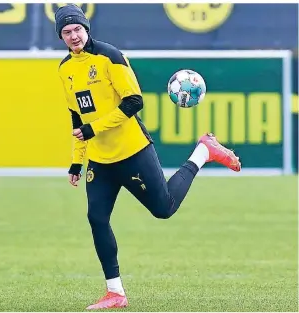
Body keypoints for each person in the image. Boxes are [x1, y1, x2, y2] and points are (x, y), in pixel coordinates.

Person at [55, 4, 241, 310]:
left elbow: (133, 101)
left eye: (77, 29)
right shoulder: (64, 70)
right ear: (61, 37)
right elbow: (77, 117)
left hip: (132, 151)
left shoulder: (109, 57)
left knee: (164, 208)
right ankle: (115, 292)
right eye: (66, 32)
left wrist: (94, 128)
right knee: (96, 218)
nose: (73, 36)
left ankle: (204, 151)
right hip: (100, 161)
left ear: (87, 29)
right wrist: (78, 160)